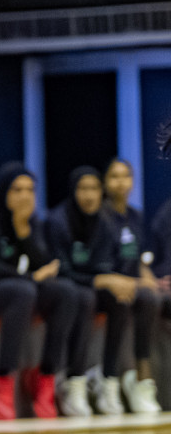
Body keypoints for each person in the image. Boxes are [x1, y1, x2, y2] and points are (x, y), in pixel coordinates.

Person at [0, 163, 93, 418]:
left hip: (4, 288)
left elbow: (45, 266)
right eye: (17, 190)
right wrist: (31, 277)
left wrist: (23, 232)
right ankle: (1, 379)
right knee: (22, 291)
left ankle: (45, 377)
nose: (25, 196)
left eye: (30, 190)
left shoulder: (26, 220)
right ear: (3, 191)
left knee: (66, 292)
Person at [48, 166, 160, 415]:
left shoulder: (106, 222)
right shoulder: (58, 221)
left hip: (96, 284)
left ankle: (110, 379)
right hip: (70, 288)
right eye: (83, 188)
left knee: (124, 297)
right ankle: (74, 380)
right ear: (73, 191)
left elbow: (109, 264)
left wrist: (123, 281)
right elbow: (61, 270)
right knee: (84, 297)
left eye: (94, 189)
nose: (89, 195)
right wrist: (105, 279)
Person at [101, 158, 167, 412]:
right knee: (127, 297)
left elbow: (138, 258)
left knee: (152, 297)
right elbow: (101, 262)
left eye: (126, 176)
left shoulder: (136, 216)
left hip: (133, 282)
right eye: (114, 176)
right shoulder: (101, 216)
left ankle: (142, 379)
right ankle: (111, 378)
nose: (121, 182)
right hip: (107, 283)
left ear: (132, 181)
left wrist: (148, 276)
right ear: (106, 182)